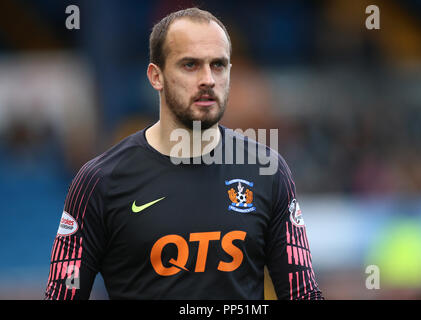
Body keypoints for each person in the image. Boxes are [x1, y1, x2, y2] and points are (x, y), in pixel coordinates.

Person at [44, 7, 323, 300]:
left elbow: (302, 294)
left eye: (218, 65)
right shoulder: (99, 182)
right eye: (190, 65)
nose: (208, 79)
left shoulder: (268, 171)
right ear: (156, 76)